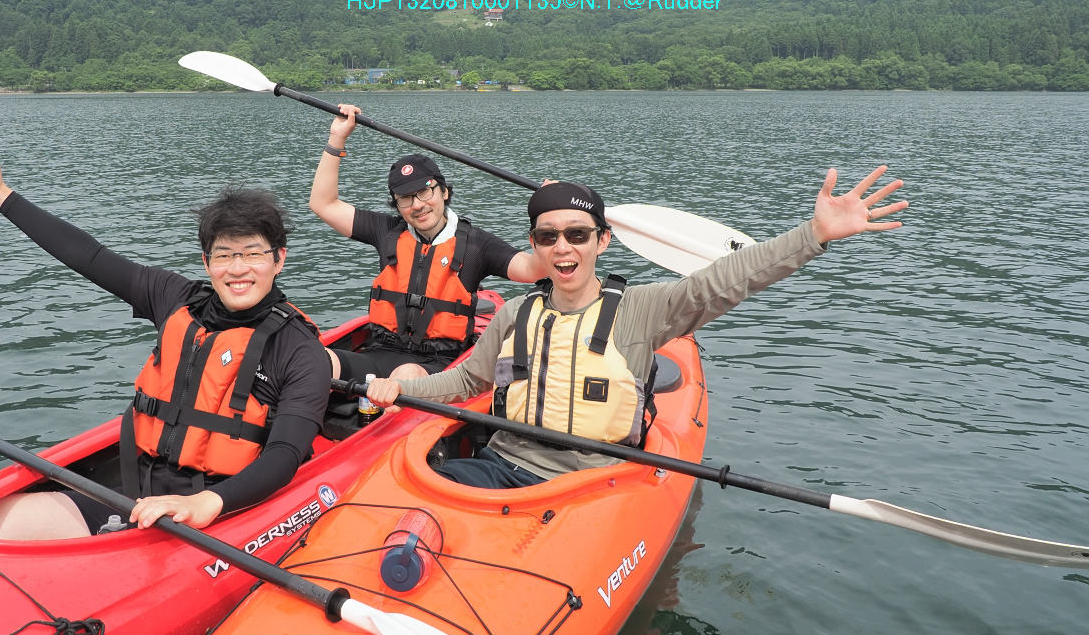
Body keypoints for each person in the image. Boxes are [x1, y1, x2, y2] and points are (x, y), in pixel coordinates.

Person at [365, 166, 908, 488]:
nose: (563, 247)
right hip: (502, 467)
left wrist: (813, 235)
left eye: (577, 234)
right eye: (548, 236)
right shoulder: (514, 314)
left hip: (593, 481)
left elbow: (727, 279)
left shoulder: (645, 310)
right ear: (533, 246)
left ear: (602, 242)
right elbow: (463, 384)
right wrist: (400, 388)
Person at [0, 138, 330, 538]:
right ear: (207, 262)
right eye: (224, 255)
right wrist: (0, 196)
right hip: (134, 498)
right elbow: (88, 256)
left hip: (223, 512)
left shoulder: (300, 351)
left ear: (278, 259)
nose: (238, 269)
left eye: (253, 254)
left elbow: (286, 454)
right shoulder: (174, 298)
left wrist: (204, 504)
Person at [310, 104, 545, 384]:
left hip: (440, 364)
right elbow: (322, 204)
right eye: (405, 198)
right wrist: (337, 137)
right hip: (379, 352)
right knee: (314, 361)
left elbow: (534, 269)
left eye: (424, 192)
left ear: (444, 192)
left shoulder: (476, 245)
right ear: (397, 204)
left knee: (405, 376)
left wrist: (549, 212)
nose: (417, 205)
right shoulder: (386, 231)